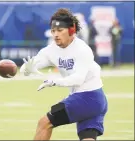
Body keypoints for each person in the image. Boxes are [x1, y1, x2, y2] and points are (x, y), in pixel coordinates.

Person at [20, 8, 108, 140]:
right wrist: (26, 69)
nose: (55, 34)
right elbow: (31, 65)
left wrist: (55, 81)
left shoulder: (82, 49)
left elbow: (78, 79)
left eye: (60, 30)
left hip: (88, 97)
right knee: (87, 138)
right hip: (93, 101)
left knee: (44, 123)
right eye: (53, 31)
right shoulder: (51, 50)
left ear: (71, 30)